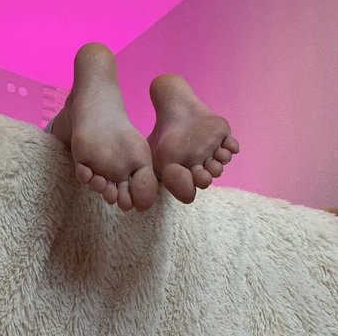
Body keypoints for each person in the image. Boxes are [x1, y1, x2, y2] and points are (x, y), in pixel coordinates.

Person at [47, 42, 240, 211]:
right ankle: (158, 155)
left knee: (50, 140)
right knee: (142, 170)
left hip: (73, 129)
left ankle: (71, 115)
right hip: (87, 131)